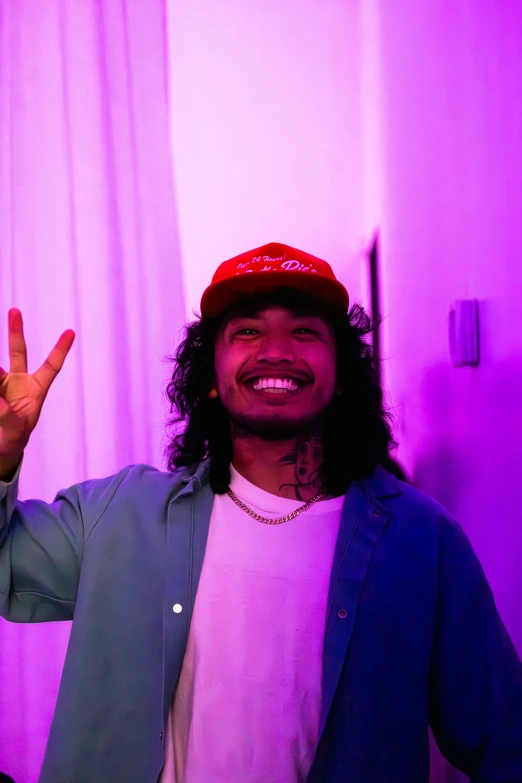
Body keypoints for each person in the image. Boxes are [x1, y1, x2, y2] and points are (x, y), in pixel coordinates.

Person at [0, 242, 521, 783]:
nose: (275, 351)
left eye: (304, 332)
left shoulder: (422, 541)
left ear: (341, 374)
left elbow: (505, 743)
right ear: (210, 373)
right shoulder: (119, 513)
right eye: (247, 331)